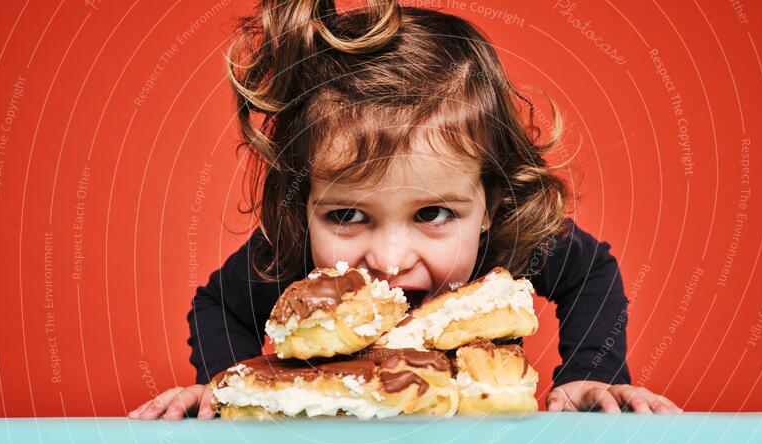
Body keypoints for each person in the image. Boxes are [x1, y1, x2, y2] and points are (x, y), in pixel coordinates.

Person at [129, 0, 680, 420]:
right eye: (346, 216)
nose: (390, 261)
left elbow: (593, 274)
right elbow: (218, 306)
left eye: (434, 214)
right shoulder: (292, 260)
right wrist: (228, 384)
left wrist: (587, 375)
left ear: (490, 201)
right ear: (303, 209)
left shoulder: (513, 243)